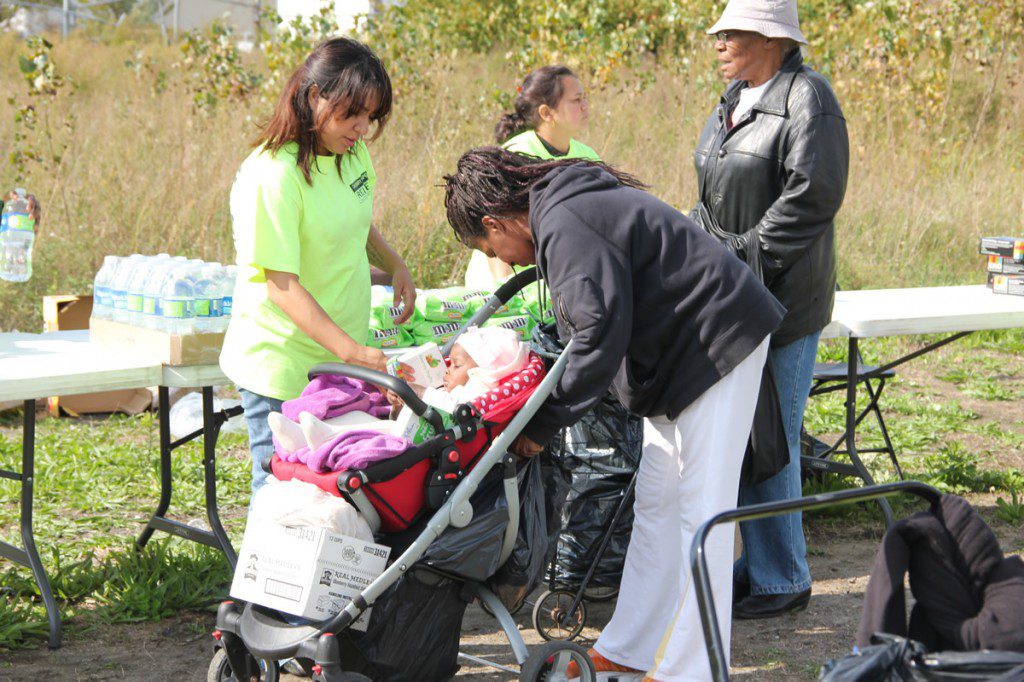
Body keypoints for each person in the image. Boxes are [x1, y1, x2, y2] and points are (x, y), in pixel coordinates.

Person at [443, 147, 785, 681]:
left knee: (703, 512)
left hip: (718, 340)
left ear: (495, 221)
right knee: (657, 503)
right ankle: (630, 649)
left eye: (493, 248)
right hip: (678, 356)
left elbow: (598, 335)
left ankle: (689, 671)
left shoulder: (564, 221)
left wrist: (539, 426)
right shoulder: (563, 210)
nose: (506, 260)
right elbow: (590, 323)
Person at [691, 0, 850, 620]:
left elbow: (814, 196)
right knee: (745, 435)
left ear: (771, 39)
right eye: (719, 33)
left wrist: (744, 255)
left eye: (731, 33)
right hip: (733, 295)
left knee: (773, 436)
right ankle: (755, 565)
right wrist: (701, 248)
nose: (719, 43)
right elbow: (710, 186)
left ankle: (784, 577)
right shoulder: (733, 97)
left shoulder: (810, 98)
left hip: (782, 299)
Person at [219, 37, 416, 497]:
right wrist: (353, 353)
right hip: (283, 364)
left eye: (371, 116)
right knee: (283, 494)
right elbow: (282, 285)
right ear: (314, 97)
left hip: (339, 360)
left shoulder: (352, 154)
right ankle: (261, 573)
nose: (363, 128)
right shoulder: (273, 174)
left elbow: (356, 219)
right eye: (352, 114)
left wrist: (394, 264)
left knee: (337, 490)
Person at [268, 325, 531, 453]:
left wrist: (416, 392)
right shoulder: (458, 384)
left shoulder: (476, 394)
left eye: (457, 365)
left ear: (481, 372)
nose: (449, 369)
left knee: (377, 431)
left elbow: (450, 410)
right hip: (408, 429)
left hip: (413, 444)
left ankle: (325, 436)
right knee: (367, 418)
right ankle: (305, 432)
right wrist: (399, 404)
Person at [464, 65, 600, 290]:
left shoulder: (587, 155)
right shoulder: (517, 155)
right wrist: (506, 290)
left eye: (585, 98)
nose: (585, 106)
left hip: (551, 283)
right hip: (507, 289)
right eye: (576, 100)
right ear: (547, 113)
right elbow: (496, 229)